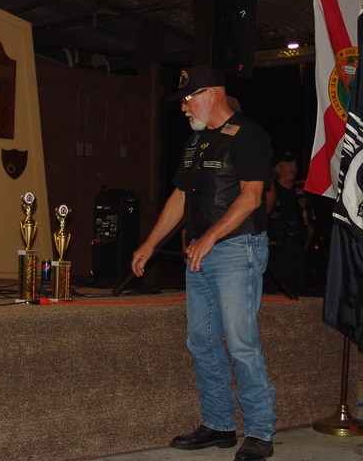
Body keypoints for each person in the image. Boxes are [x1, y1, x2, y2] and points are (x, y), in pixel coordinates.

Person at [131, 65, 276, 461]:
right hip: (201, 253)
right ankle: (219, 423)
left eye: (187, 99)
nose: (183, 107)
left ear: (211, 94)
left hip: (236, 250)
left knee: (241, 343)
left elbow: (252, 196)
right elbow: (180, 197)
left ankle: (260, 431)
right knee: (201, 341)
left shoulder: (249, 135)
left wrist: (210, 237)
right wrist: (150, 243)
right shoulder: (196, 142)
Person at [264, 150, 308, 297]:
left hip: (296, 254)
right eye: (288, 163)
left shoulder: (301, 193)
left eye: (295, 164)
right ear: (277, 168)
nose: (293, 167)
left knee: (295, 295)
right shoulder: (270, 192)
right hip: (275, 254)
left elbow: (308, 222)